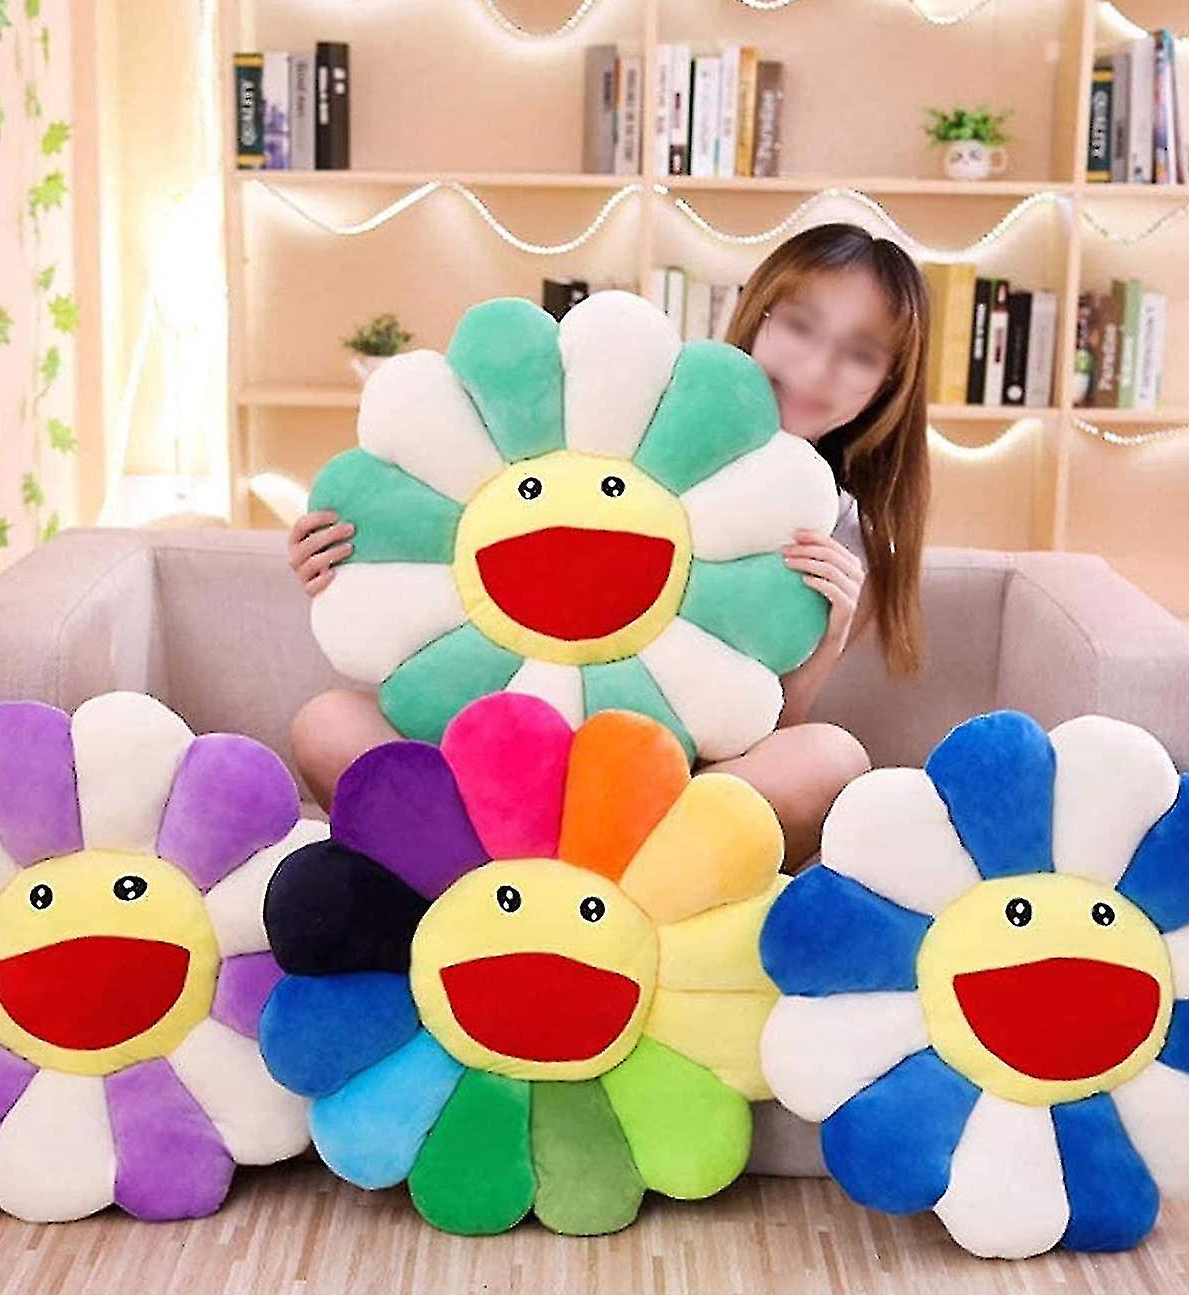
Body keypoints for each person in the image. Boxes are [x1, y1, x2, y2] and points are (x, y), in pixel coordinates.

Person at [285, 223, 932, 870]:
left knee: (830, 758)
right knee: (327, 724)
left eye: (860, 354)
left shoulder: (846, 539)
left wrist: (827, 635)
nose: (817, 368)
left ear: (889, 384)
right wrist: (343, 561)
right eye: (800, 325)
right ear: (757, 315)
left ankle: (556, 882)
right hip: (496, 755)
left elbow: (753, 732)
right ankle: (529, 881)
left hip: (656, 794)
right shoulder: (629, 409)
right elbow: (439, 514)